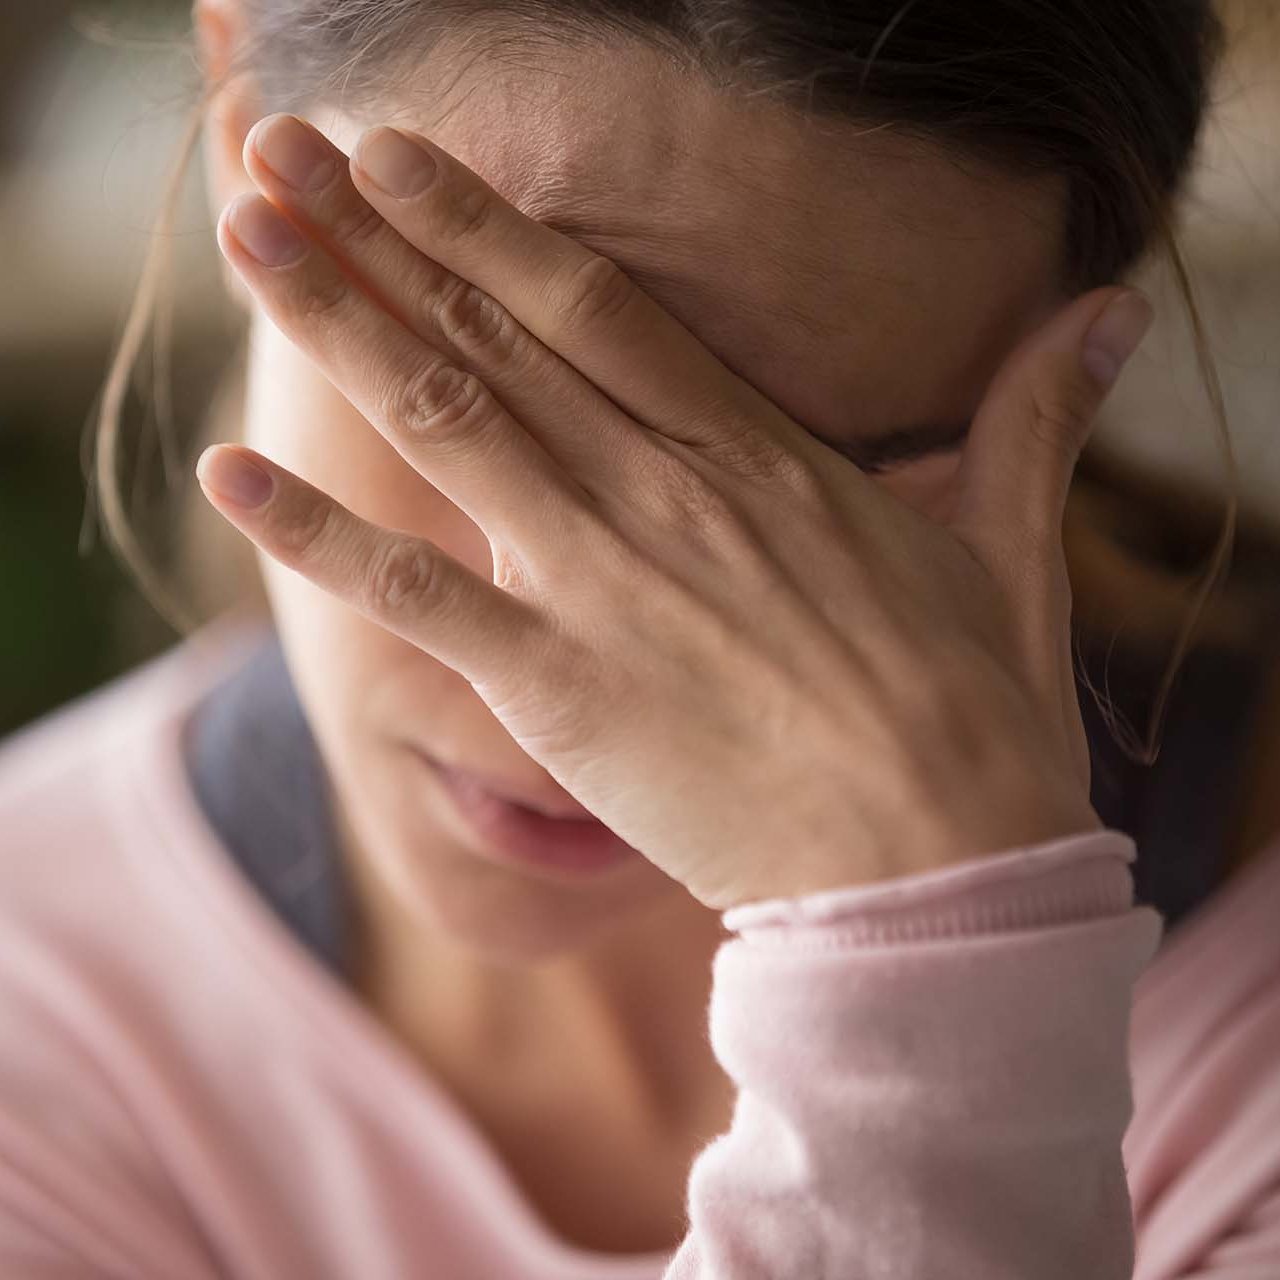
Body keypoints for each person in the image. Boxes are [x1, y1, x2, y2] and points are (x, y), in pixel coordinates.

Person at [1, 0, 1277, 1275]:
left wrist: (929, 945)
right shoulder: (37, 1001)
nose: (560, 706)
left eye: (829, 498)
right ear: (242, 139)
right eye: (504, 403)